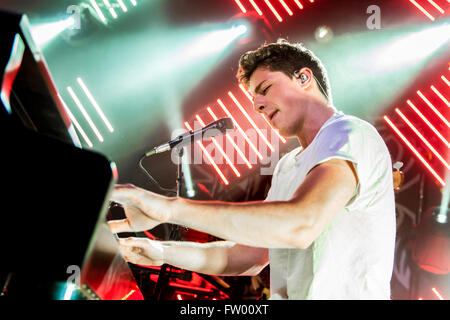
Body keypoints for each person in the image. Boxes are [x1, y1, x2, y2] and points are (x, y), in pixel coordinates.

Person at [108, 39, 396, 300]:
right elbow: (247, 256)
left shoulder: (350, 133)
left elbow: (301, 224)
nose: (257, 106)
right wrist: (161, 252)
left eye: (266, 89)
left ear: (304, 78)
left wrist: (170, 208)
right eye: (253, 99)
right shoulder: (287, 167)